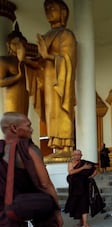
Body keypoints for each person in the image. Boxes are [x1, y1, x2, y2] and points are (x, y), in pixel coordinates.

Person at [0, 112, 63, 227]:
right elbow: (45, 184)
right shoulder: (27, 150)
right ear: (14, 128)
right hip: (29, 217)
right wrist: (56, 211)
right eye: (28, 125)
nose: (32, 129)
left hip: (4, 220)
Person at [33, 0, 77, 156]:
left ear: (63, 12)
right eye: (47, 9)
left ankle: (66, 146)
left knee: (62, 108)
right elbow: (40, 62)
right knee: (50, 112)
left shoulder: (66, 34)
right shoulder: (46, 37)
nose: (48, 11)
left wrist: (48, 56)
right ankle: (56, 146)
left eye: (53, 8)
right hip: (47, 80)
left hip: (61, 81)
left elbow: (68, 59)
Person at [0, 23, 30, 116]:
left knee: (23, 121)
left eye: (23, 45)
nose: (19, 47)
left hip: (24, 99)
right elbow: (0, 82)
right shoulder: (4, 60)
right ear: (9, 45)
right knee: (13, 123)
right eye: (16, 44)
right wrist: (18, 76)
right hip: (11, 103)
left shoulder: (26, 64)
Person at [65, 149, 97, 227]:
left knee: (84, 203)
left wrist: (92, 176)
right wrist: (83, 168)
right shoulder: (71, 163)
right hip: (74, 187)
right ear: (73, 155)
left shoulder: (85, 162)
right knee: (77, 204)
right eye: (75, 154)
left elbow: (95, 169)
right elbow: (71, 172)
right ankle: (81, 222)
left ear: (81, 155)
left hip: (84, 186)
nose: (77, 156)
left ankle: (85, 224)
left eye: (79, 154)